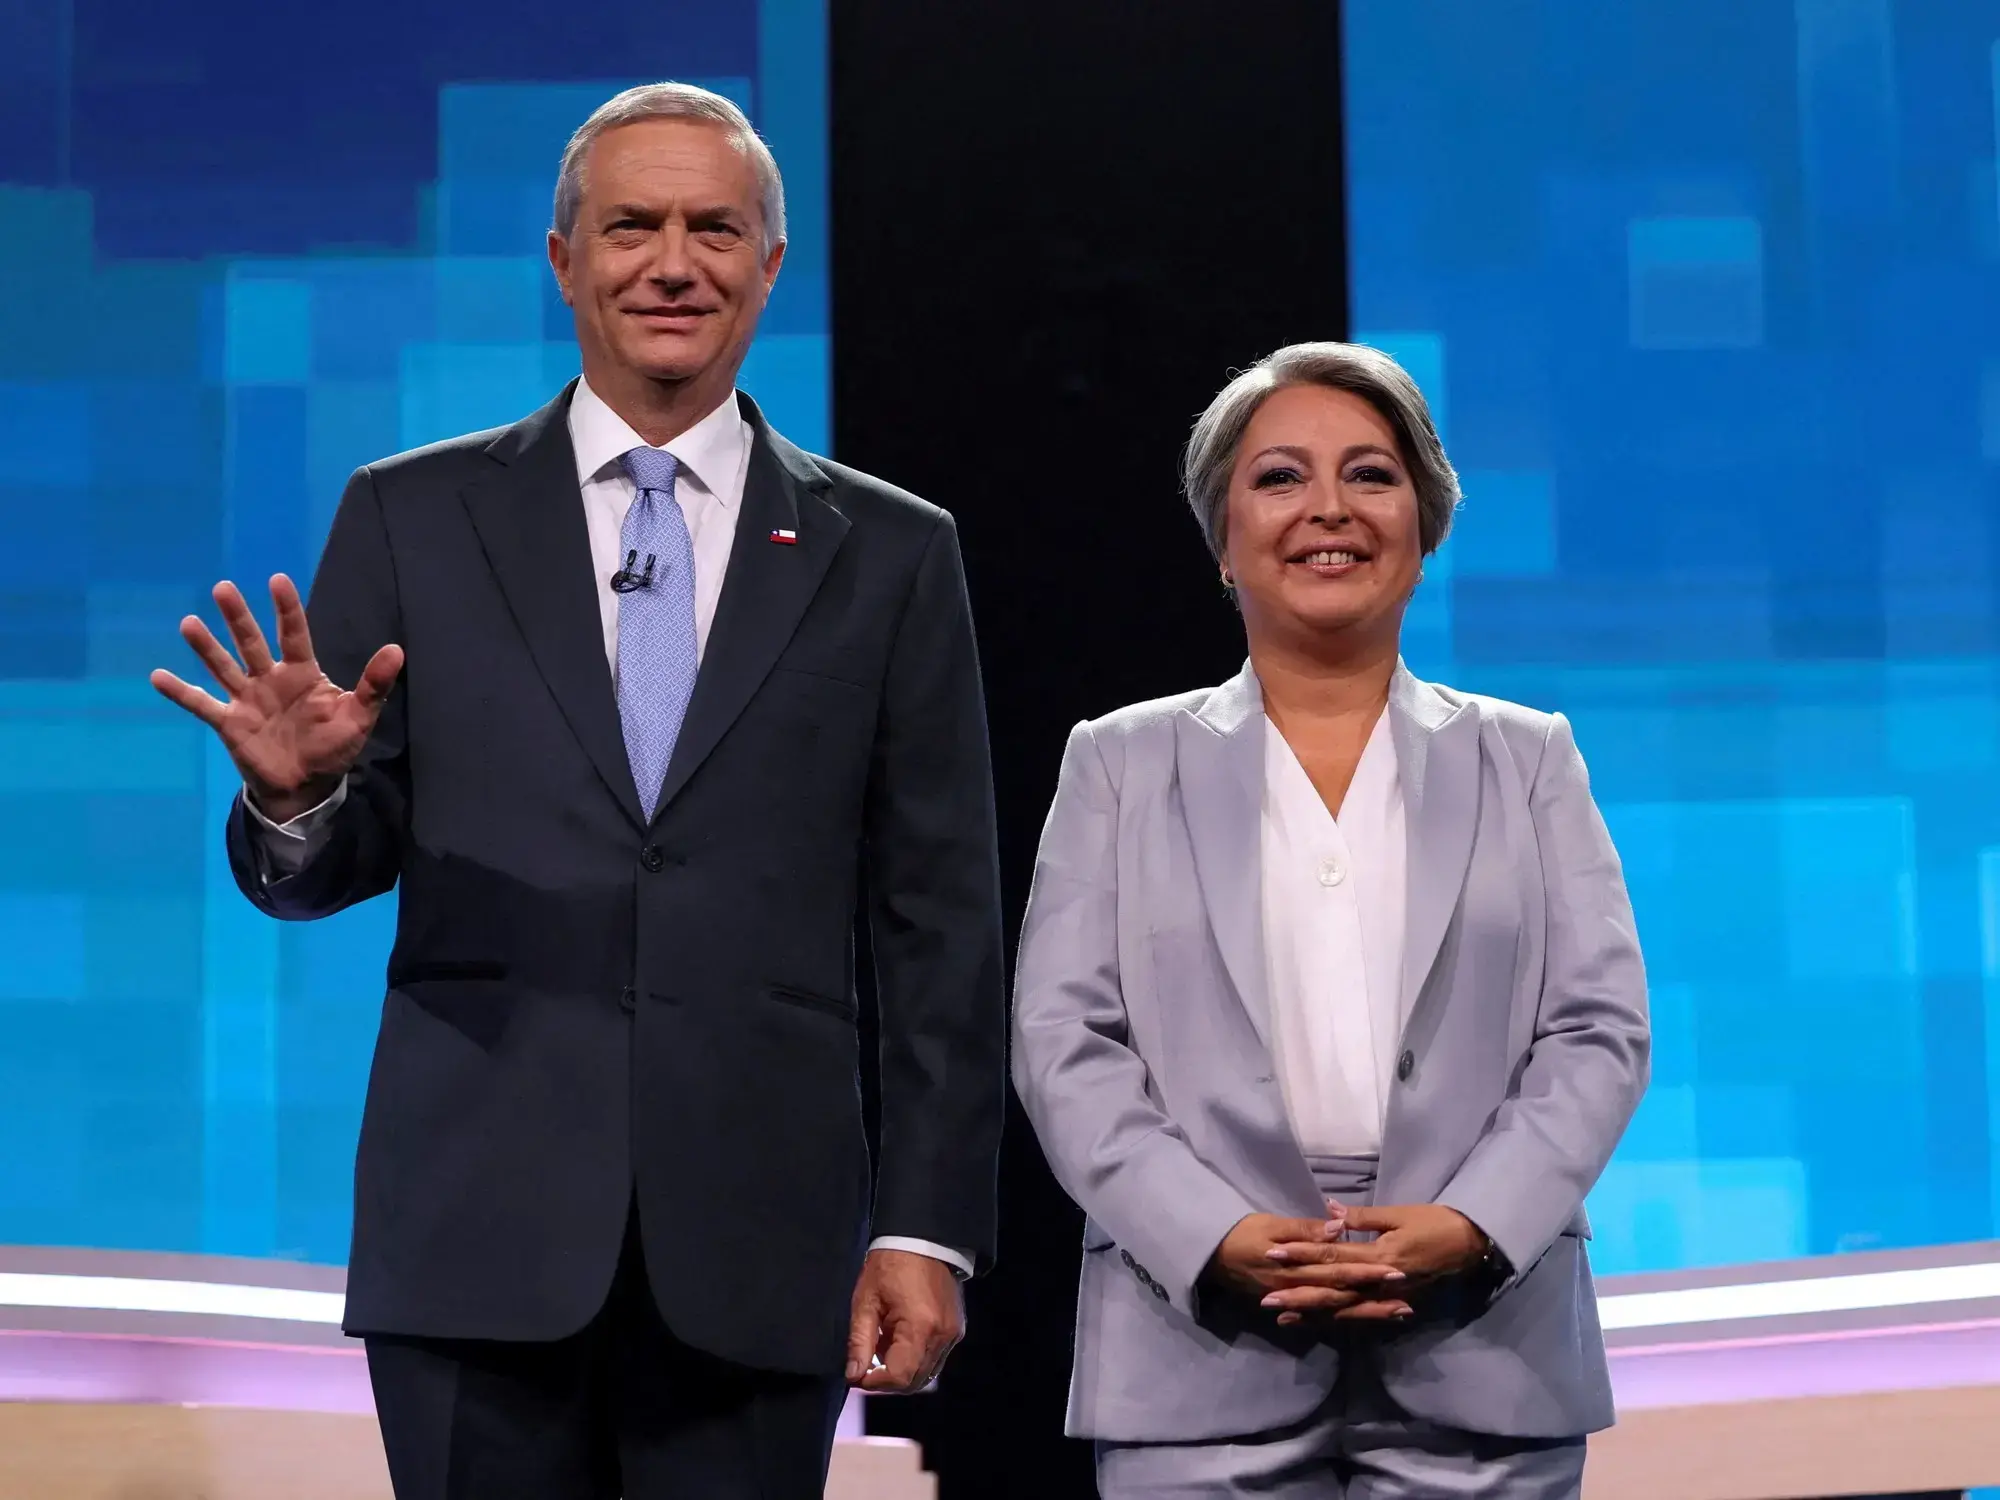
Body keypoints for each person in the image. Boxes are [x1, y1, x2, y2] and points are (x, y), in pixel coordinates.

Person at [150, 82, 1004, 1500]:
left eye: (712, 229)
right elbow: (331, 866)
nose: (673, 264)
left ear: (769, 265)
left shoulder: (891, 552)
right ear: (563, 260)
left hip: (759, 1243)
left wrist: (924, 1227)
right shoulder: (413, 515)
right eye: (630, 227)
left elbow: (942, 925)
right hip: (474, 1237)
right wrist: (299, 804)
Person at [1011, 342, 1649, 1498]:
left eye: (1369, 474)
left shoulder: (1527, 758)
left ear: (1424, 524)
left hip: (1483, 1343)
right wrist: (1209, 1232)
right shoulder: (1116, 762)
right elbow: (1063, 1043)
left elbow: (1596, 1030)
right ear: (1221, 538)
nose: (1327, 509)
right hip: (1196, 1352)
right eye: (1279, 478)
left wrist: (1472, 1223)